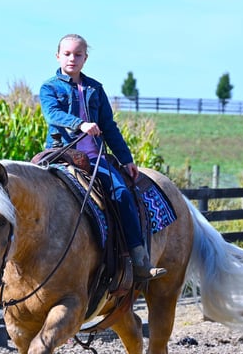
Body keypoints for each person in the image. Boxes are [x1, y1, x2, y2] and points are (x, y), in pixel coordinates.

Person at [38, 34, 166, 282]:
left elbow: (109, 126)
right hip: (61, 155)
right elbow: (52, 114)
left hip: (95, 158)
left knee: (121, 194)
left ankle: (139, 258)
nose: (72, 58)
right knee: (24, 194)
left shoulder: (95, 88)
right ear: (58, 56)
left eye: (77, 54)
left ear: (85, 58)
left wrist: (126, 159)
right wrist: (80, 124)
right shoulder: (49, 87)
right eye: (67, 54)